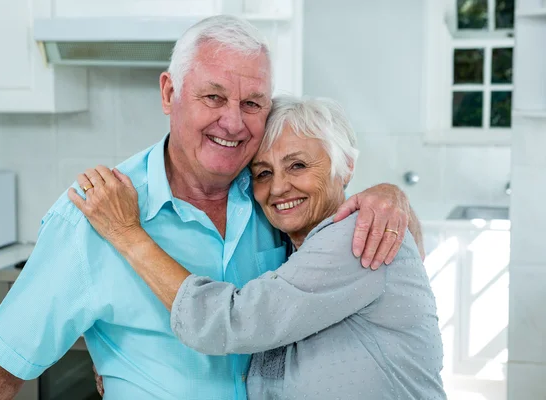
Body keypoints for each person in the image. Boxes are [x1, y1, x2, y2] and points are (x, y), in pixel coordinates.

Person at [0, 15, 423, 400]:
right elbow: (2, 372)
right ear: (168, 93)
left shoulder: (275, 198)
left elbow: (392, 263)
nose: (233, 122)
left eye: (252, 103)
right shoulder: (94, 217)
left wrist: (392, 197)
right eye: (213, 97)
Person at [72, 95, 445, 399]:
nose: (278, 187)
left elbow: (229, 322)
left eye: (297, 165)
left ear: (346, 166)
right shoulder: (289, 249)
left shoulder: (355, 238)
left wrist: (125, 232)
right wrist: (121, 347)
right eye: (263, 173)